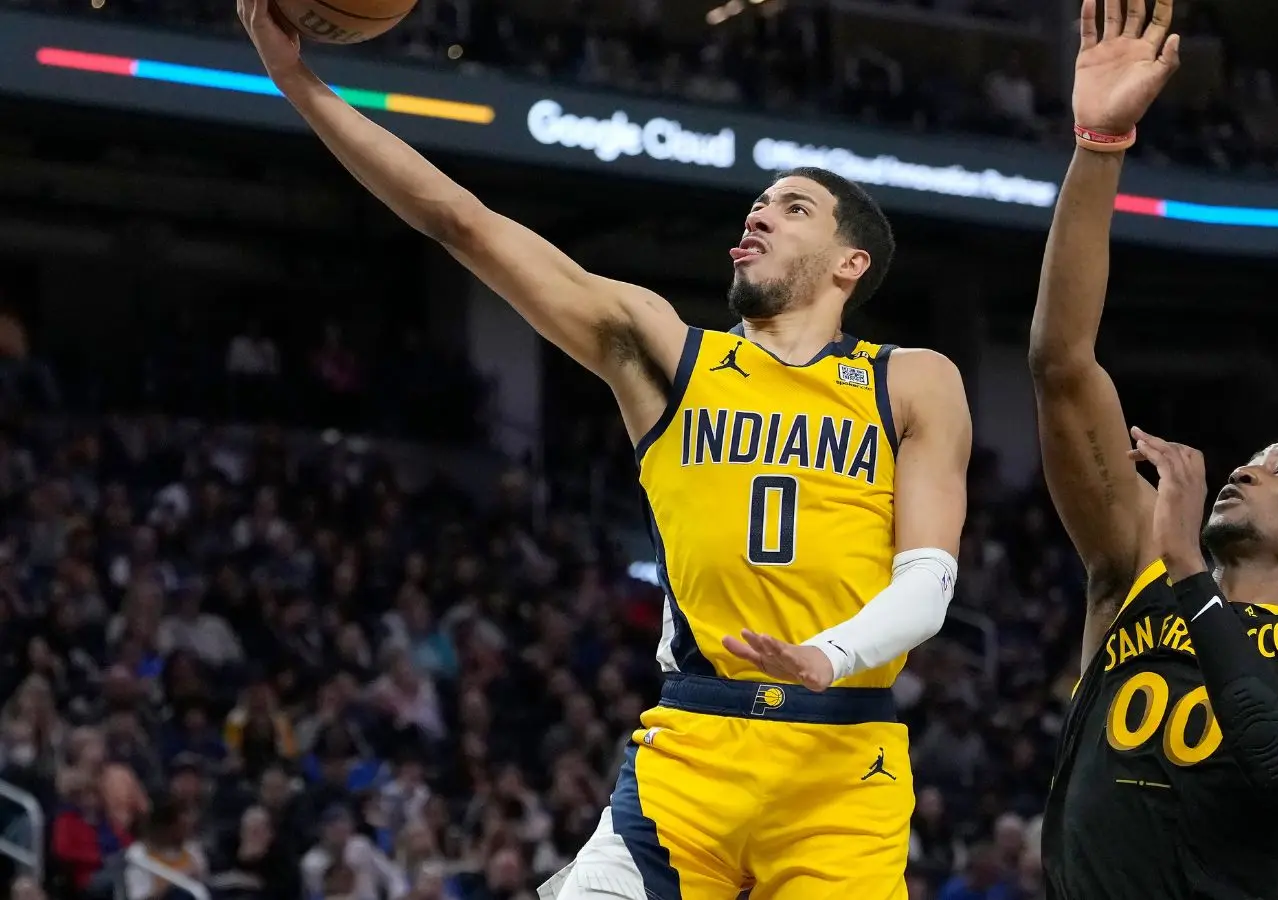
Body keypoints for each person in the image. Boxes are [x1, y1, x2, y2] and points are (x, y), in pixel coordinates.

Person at [235, 2, 971, 898]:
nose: (759, 216)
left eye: (793, 206)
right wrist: (298, 84)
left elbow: (929, 582)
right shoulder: (666, 351)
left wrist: (829, 655)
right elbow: (462, 223)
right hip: (691, 757)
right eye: (756, 204)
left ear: (852, 263)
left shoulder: (912, 379)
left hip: (843, 764)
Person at [1026, 1, 1278, 898]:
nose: (1245, 467)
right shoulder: (1132, 569)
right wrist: (1098, 144)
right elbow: (1060, 362)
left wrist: (1191, 572)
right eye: (1254, 458)